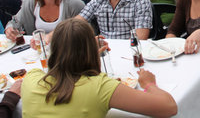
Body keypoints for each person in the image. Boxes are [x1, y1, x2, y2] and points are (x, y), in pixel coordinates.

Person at [21, 18, 177, 118]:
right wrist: (149, 84)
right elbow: (169, 107)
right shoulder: (99, 87)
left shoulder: (30, 79)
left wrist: (80, 49)